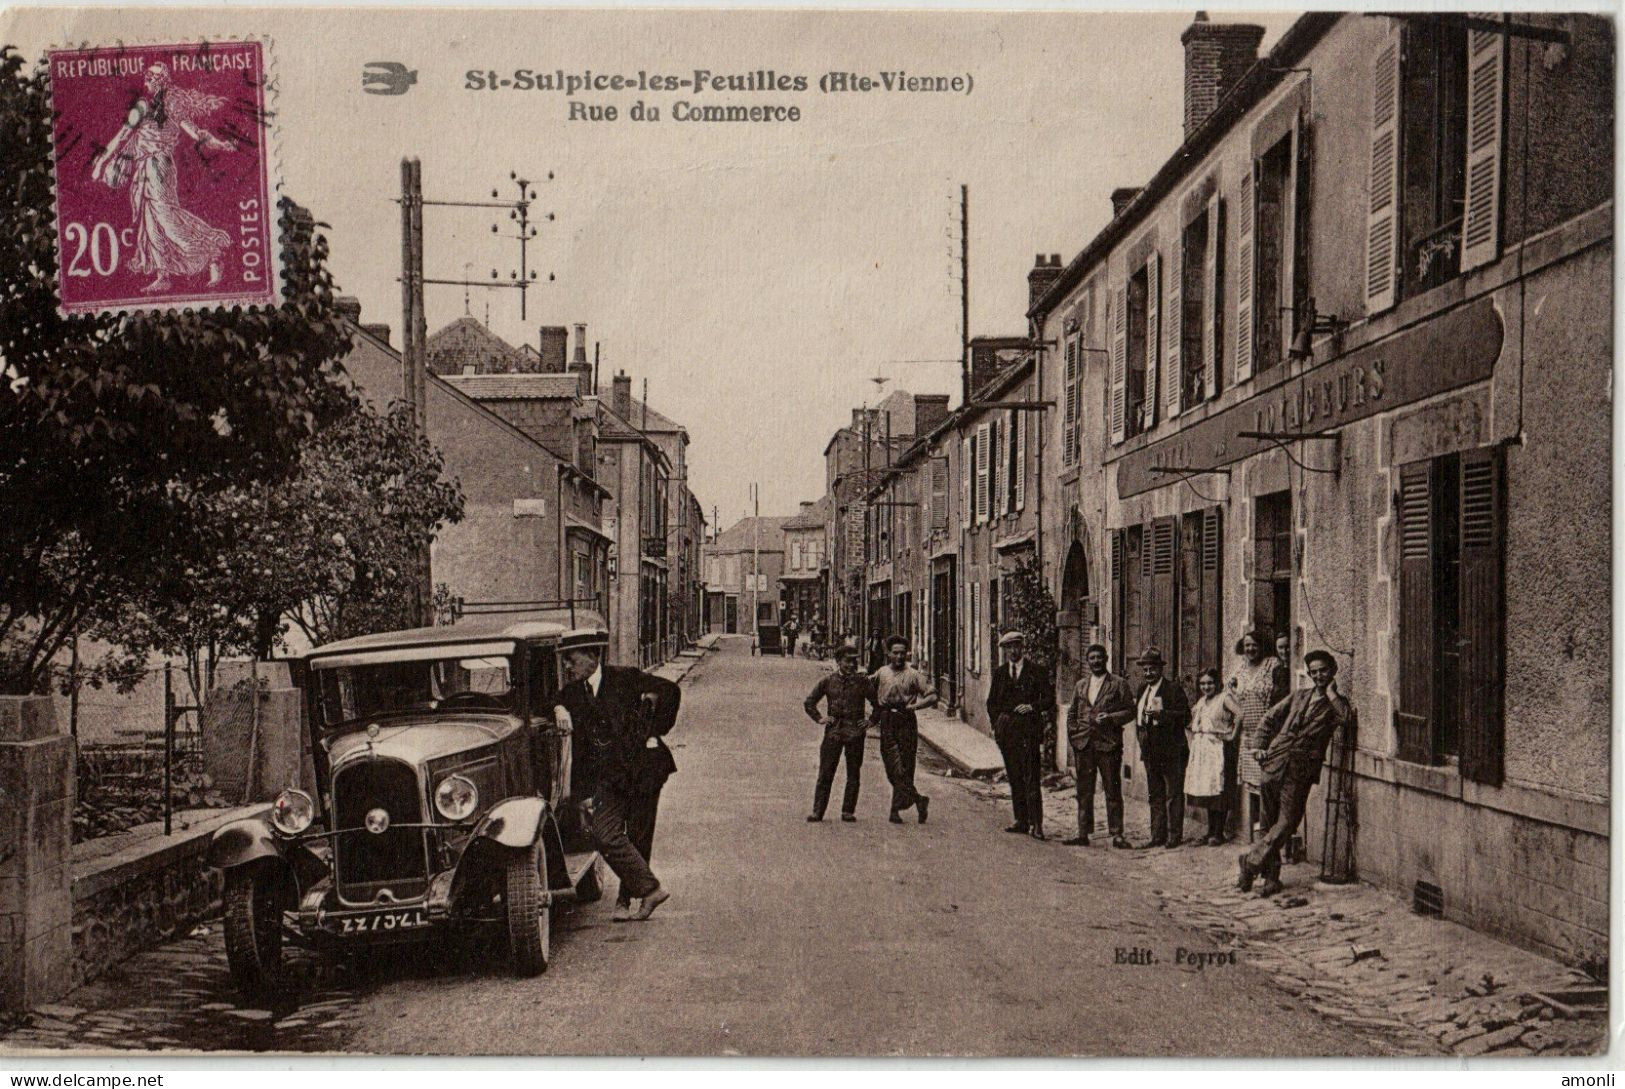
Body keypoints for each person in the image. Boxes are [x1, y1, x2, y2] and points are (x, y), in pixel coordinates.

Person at [554, 634, 677, 922]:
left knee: (638, 835)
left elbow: (670, 690)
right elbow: (558, 706)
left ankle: (630, 899)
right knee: (603, 832)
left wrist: (654, 731)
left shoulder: (625, 678)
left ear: (591, 656)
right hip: (610, 777)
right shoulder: (572, 694)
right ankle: (650, 889)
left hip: (645, 770)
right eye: (565, 661)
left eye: (571, 660)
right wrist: (559, 708)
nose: (568, 666)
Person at [91, 63, 236, 292]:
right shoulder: (156, 105)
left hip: (157, 165)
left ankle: (213, 251)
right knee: (150, 220)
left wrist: (101, 162)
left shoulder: (161, 105)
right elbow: (195, 134)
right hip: (148, 166)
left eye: (148, 78)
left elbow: (123, 137)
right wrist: (220, 144)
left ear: (156, 81)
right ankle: (163, 274)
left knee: (166, 217)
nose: (145, 82)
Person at [1238, 650, 1356, 897]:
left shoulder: (1337, 704)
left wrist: (1332, 694)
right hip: (1274, 762)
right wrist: (1258, 746)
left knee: (1288, 822)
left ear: (1332, 671)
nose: (1318, 675)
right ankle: (1271, 879)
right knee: (1269, 821)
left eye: (1323, 670)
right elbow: (1270, 718)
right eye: (1313, 672)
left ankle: (1250, 861)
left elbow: (1346, 719)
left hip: (1300, 770)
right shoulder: (1299, 696)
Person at [1063, 643, 1136, 848]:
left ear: (1106, 659)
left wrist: (1111, 718)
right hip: (1084, 744)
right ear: (1088, 661)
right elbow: (1072, 713)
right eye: (1092, 658)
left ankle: (1117, 834)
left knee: (1112, 789)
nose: (1096, 661)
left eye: (1099, 657)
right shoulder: (1081, 685)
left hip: (1108, 744)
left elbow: (1130, 710)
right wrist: (1074, 736)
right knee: (1084, 790)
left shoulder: (1118, 684)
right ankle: (1083, 832)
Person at [987, 630, 1055, 840]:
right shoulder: (999, 673)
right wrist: (997, 725)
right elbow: (991, 703)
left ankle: (1037, 824)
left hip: (1028, 733)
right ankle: (1021, 820)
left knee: (1031, 777)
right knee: (1015, 776)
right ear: (1005, 650)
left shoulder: (1037, 671)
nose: (1013, 650)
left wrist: (1032, 706)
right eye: (1009, 647)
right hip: (1007, 733)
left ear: (1022, 647)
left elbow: (1049, 699)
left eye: (1017, 646)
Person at [803, 644, 878, 822]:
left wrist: (871, 721)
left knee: (853, 773)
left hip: (855, 733)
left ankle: (848, 811)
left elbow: (878, 704)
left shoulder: (863, 682)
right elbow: (809, 702)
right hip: (833, 733)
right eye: (848, 661)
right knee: (826, 772)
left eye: (855, 661)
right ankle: (818, 811)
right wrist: (820, 718)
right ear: (838, 662)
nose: (852, 665)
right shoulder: (828, 681)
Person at [871, 635, 936, 824]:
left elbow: (932, 696)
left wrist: (914, 707)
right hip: (887, 720)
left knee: (905, 767)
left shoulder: (914, 674)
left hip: (906, 720)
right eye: (895, 653)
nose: (899, 657)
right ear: (888, 653)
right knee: (893, 768)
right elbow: (866, 687)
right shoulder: (882, 672)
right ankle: (918, 800)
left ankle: (895, 811)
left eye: (902, 653)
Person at [1133, 647, 1191, 849]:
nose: (1148, 673)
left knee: (1173, 793)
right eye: (1145, 670)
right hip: (1150, 751)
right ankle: (1157, 835)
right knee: (1155, 794)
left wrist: (1163, 715)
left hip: (1172, 750)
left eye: (1152, 669)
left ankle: (1174, 836)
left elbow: (1186, 717)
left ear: (1160, 669)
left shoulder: (1172, 689)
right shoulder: (1142, 690)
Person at [1228, 631, 1282, 818]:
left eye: (1254, 645)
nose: (1250, 649)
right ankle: (1256, 829)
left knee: (1267, 780)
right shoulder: (1239, 669)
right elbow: (1230, 696)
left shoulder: (1272, 664)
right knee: (1252, 783)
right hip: (1247, 733)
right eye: (1247, 645)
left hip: (1268, 730)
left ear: (1262, 646)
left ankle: (1268, 825)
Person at [1186, 668, 1241, 845]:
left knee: (1219, 789)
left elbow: (1241, 714)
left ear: (1217, 683)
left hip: (1220, 748)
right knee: (1208, 790)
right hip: (1204, 749)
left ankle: (1218, 833)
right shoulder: (1202, 701)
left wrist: (1232, 735)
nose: (1206, 686)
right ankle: (1210, 831)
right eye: (1202, 683)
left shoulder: (1224, 698)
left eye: (1210, 683)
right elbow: (1192, 719)